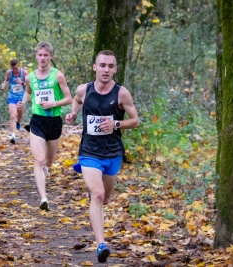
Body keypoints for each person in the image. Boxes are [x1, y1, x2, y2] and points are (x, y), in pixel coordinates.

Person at [65, 50, 140, 263]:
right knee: (96, 194)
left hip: (113, 152)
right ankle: (101, 244)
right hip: (89, 152)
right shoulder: (84, 89)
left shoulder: (121, 93)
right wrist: (72, 113)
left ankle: (98, 211)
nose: (106, 69)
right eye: (102, 65)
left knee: (105, 198)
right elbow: (77, 100)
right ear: (94, 67)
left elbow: (135, 121)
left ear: (115, 69)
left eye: (110, 66)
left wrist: (116, 123)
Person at [17, 41, 72, 211]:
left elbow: (69, 98)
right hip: (37, 121)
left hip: (54, 122)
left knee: (49, 161)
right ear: (36, 56)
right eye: (40, 55)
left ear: (51, 57)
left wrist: (53, 103)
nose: (42, 58)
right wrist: (22, 102)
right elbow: (28, 92)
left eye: (45, 55)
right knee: (39, 160)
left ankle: (45, 170)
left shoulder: (58, 75)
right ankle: (43, 198)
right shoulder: (30, 77)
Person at [1, 59, 29, 144]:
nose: (15, 70)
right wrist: (4, 86)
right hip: (12, 96)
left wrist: (22, 83)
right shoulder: (9, 73)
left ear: (19, 65)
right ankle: (13, 136)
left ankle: (19, 122)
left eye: (16, 68)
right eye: (13, 69)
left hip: (21, 97)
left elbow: (30, 85)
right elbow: (6, 80)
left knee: (19, 116)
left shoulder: (24, 73)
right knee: (13, 115)